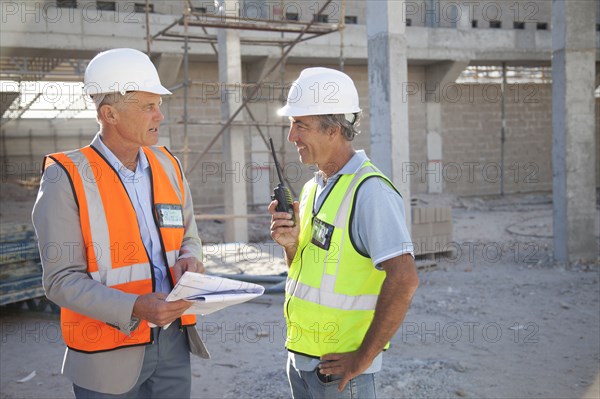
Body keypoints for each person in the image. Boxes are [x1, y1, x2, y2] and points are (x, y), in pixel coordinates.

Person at [32, 48, 209, 398]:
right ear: (109, 113)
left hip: (173, 340)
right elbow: (60, 281)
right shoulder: (65, 177)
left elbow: (189, 234)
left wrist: (191, 257)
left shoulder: (167, 165)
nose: (160, 116)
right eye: (148, 107)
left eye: (159, 105)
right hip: (106, 352)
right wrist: (134, 307)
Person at [269, 67, 420, 398]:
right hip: (302, 362)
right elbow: (310, 270)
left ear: (333, 130)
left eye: (301, 125)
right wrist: (291, 245)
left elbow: (405, 279)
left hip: (339, 376)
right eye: (292, 124)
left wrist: (362, 359)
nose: (292, 136)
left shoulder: (371, 192)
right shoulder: (313, 188)